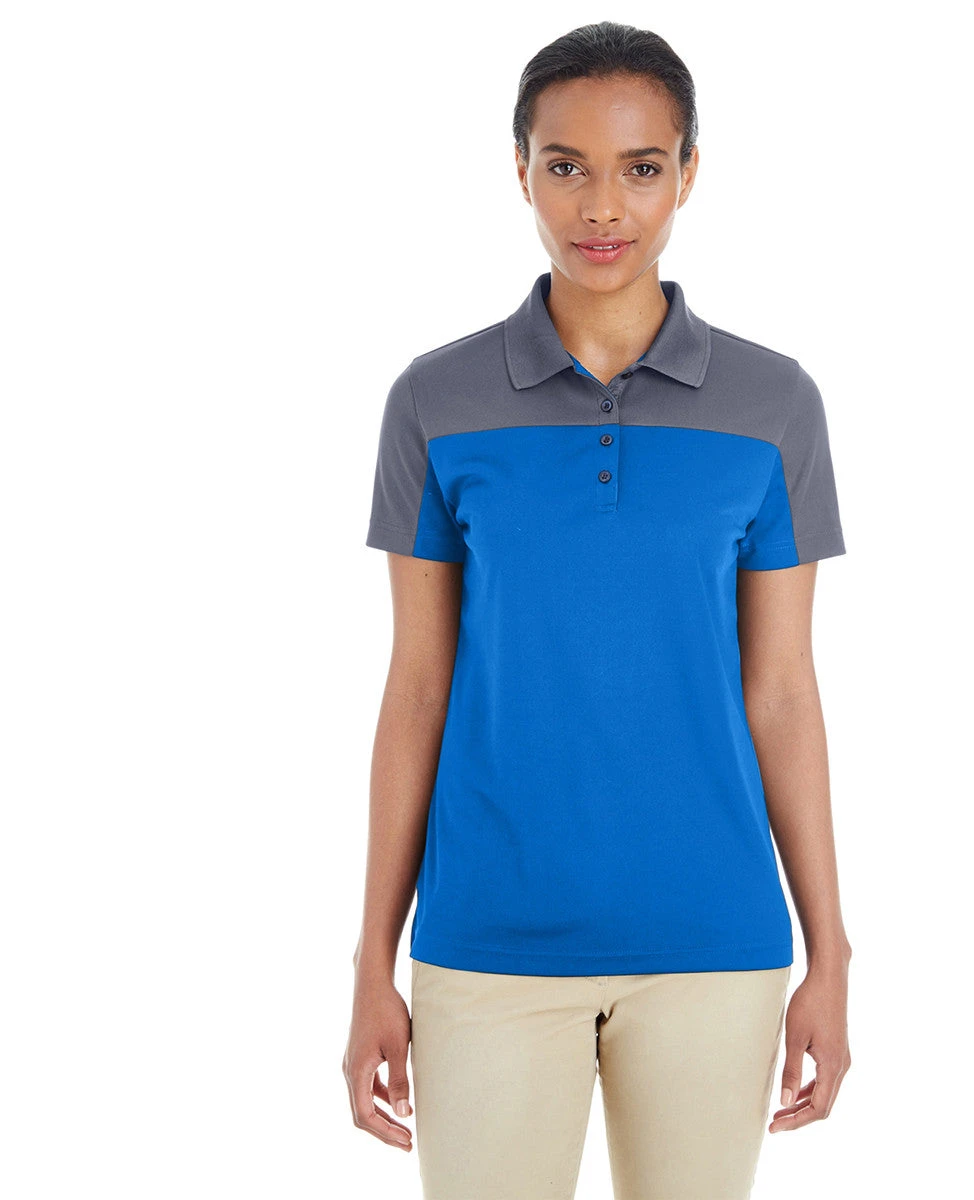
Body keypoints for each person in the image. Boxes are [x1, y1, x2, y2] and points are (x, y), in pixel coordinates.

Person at [344, 20, 853, 1200]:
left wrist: (830, 952)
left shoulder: (775, 404)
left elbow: (782, 690)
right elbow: (417, 686)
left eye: (641, 166)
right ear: (519, 171)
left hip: (714, 945)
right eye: (565, 165)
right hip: (489, 944)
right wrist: (372, 961)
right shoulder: (433, 400)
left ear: (689, 173)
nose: (603, 206)